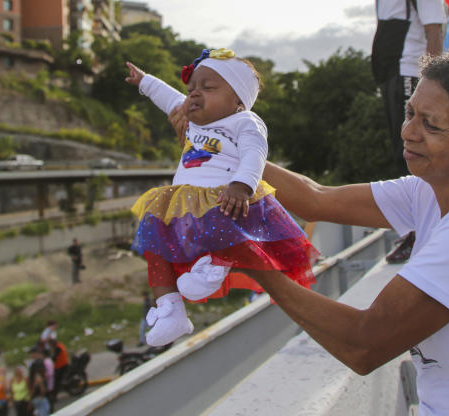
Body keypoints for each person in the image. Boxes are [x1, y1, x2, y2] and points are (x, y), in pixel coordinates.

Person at [169, 49, 449, 413]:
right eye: (411, 113)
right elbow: (316, 198)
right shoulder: (432, 190)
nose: (409, 132)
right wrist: (212, 141)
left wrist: (255, 264)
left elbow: (365, 343)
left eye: (431, 125)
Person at [125, 49, 318, 346]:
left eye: (208, 88)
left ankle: (214, 264)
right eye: (191, 90)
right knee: (155, 244)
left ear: (238, 100)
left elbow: (254, 154)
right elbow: (168, 98)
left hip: (223, 195)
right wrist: (144, 81)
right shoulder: (192, 120)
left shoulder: (245, 122)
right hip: (180, 201)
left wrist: (241, 186)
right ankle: (170, 309)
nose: (194, 95)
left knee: (219, 226)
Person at [303, 0, 447, 264]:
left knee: (415, 154)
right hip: (392, 78)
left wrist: (433, 83)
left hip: (413, 76)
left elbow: (434, 30)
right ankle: (416, 229)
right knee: (401, 154)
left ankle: (426, 231)